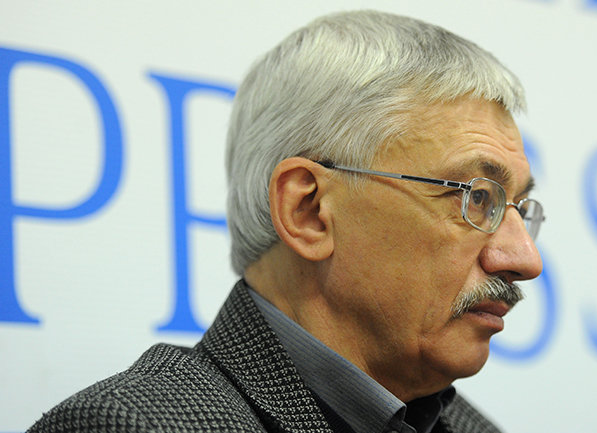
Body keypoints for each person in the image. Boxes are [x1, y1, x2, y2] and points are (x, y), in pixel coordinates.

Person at [29, 10, 544, 433]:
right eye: (478, 198)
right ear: (309, 212)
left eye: (519, 208)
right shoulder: (132, 425)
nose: (525, 259)